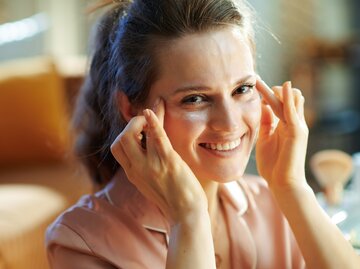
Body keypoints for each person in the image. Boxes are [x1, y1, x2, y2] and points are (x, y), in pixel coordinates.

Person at [46, 0, 360, 268]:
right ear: (131, 110)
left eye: (242, 89)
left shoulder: (276, 203)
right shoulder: (82, 243)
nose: (230, 122)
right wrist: (189, 219)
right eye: (195, 98)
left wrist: (292, 188)